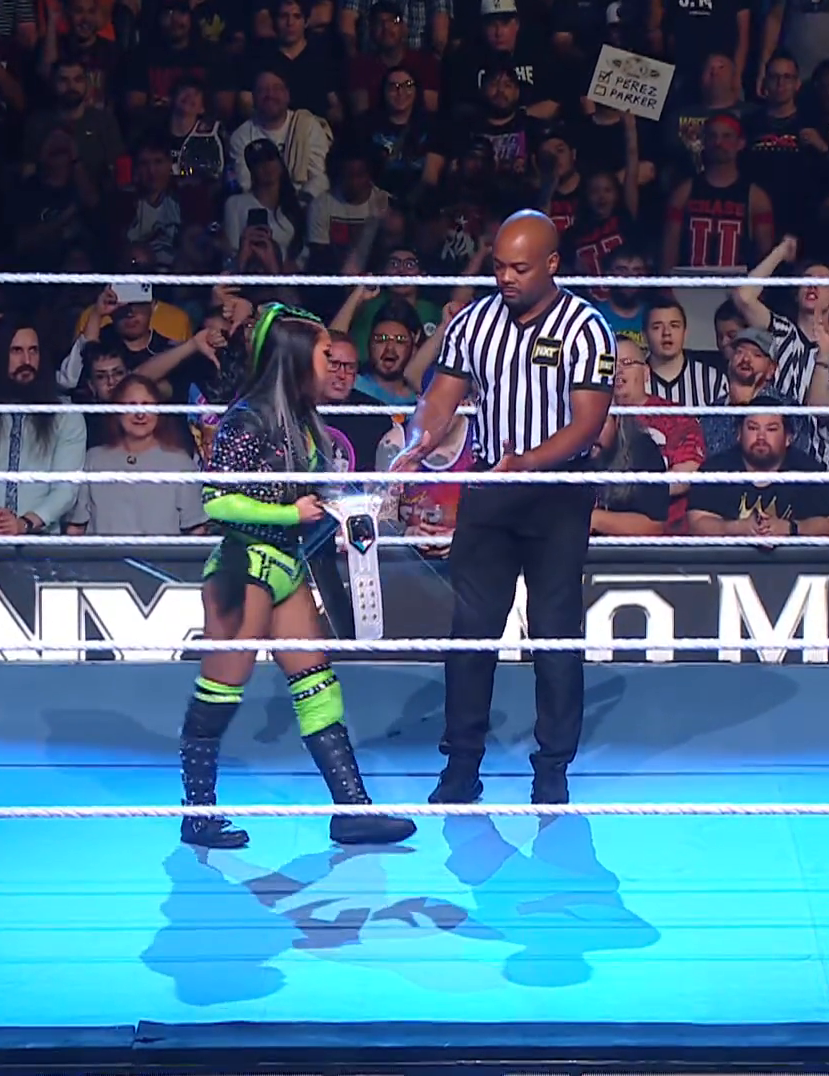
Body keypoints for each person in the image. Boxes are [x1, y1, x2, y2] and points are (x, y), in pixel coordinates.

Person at [396, 209, 617, 806]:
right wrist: (418, 442)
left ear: (552, 264)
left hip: (558, 493)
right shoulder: (473, 323)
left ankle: (552, 767)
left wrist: (530, 462)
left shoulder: (586, 328)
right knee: (471, 629)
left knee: (553, 631)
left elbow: (588, 423)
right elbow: (439, 398)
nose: (506, 278)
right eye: (498, 267)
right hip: (491, 487)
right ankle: (461, 763)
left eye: (520, 268)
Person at [179, 302, 416, 850]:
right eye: (325, 354)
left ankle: (352, 809)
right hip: (244, 569)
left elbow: (312, 494)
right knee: (221, 690)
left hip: (287, 565)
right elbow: (217, 501)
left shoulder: (306, 423)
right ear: (295, 358)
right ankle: (197, 812)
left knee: (318, 685)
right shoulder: (248, 418)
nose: (333, 364)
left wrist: (355, 503)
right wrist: (291, 513)